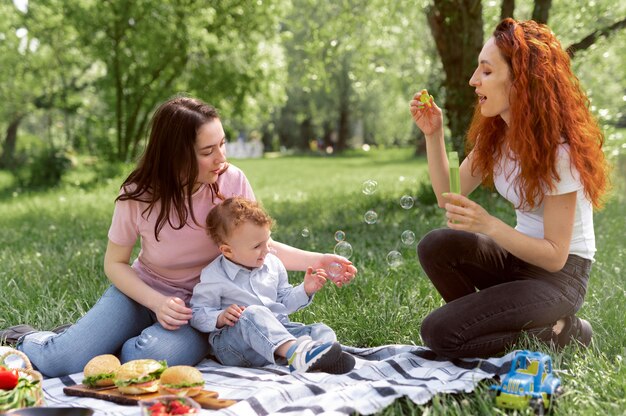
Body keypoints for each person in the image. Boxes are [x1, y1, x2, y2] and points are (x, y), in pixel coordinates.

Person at [0, 96, 357, 377]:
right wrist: (156, 303)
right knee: (63, 360)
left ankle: (109, 340)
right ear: (177, 154)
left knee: (149, 360)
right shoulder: (138, 194)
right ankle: (30, 337)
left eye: (223, 144)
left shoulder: (232, 181)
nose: (221, 158)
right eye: (208, 151)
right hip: (142, 294)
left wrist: (318, 260)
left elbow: (257, 247)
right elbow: (115, 263)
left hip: (203, 309)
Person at [409, 18, 608, 359]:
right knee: (437, 245)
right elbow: (449, 194)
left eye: (486, 72)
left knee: (438, 334)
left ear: (521, 81)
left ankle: (564, 332)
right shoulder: (497, 137)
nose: (474, 81)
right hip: (516, 264)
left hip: (559, 279)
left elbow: (556, 255)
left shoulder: (559, 153)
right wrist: (433, 134)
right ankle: (487, 327)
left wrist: (489, 225)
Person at [190, 197, 355, 374]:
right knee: (252, 312)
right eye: (257, 246)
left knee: (319, 329)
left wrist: (305, 289)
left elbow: (284, 303)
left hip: (276, 336)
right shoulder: (214, 275)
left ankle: (316, 357)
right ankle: (299, 354)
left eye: (268, 241)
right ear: (228, 250)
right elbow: (197, 313)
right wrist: (220, 317)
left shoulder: (273, 264)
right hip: (236, 348)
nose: (267, 249)